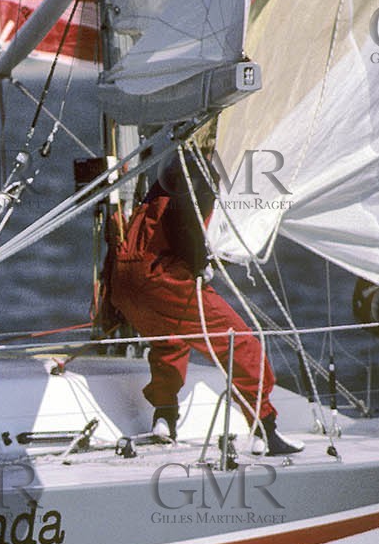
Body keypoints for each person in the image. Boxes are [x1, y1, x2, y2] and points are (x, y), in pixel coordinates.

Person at [104, 149, 304, 455]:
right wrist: (200, 263)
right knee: (240, 344)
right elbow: (186, 219)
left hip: (126, 279)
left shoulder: (165, 170)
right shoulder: (196, 168)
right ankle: (266, 430)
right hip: (161, 278)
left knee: (169, 340)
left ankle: (164, 418)